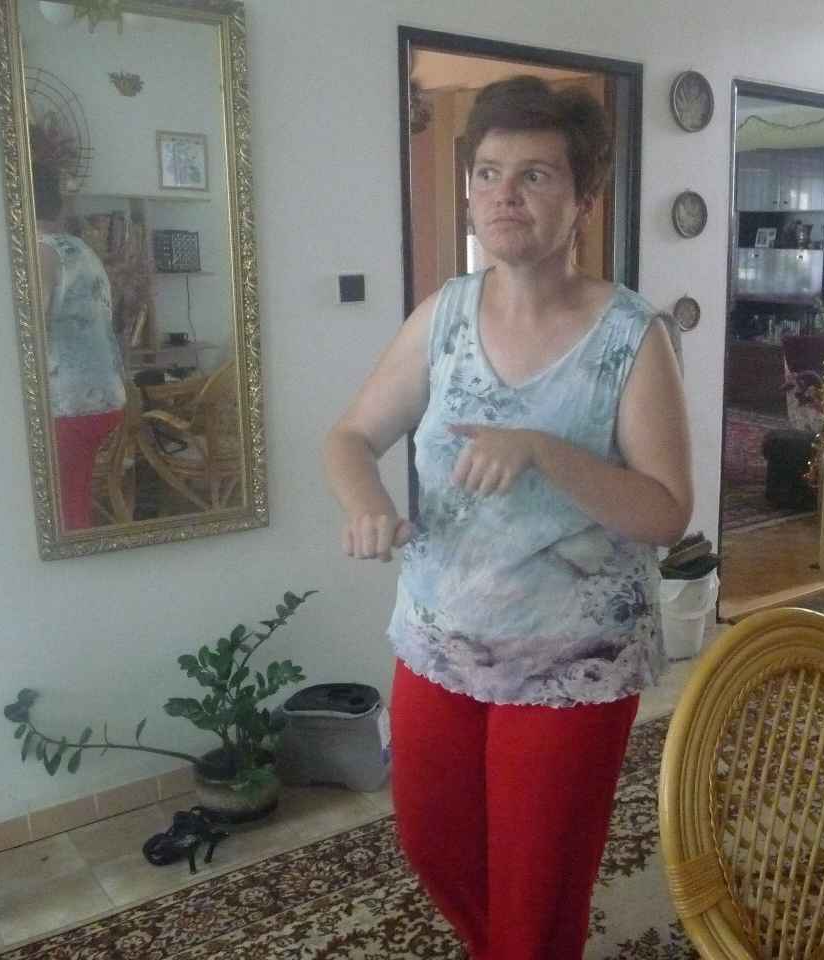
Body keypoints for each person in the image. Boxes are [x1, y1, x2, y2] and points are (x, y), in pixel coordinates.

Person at [324, 76, 692, 960]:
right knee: (433, 845)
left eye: (535, 175)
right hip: (439, 641)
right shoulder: (442, 318)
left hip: (573, 665)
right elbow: (350, 436)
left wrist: (544, 451)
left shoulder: (632, 337)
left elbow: (667, 512)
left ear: (583, 201)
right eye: (488, 173)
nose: (505, 195)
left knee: (537, 893)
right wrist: (366, 499)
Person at [34, 162, 127, 531]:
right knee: (72, 498)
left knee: (64, 514)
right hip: (105, 398)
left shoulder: (40, 253)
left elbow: (30, 329)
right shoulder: (82, 250)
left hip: (70, 404)